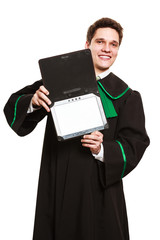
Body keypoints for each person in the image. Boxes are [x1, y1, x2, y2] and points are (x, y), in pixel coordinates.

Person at [4, 17, 150, 240]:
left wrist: (102, 149)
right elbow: (13, 105)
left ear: (118, 49)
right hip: (58, 183)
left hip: (101, 194)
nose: (106, 49)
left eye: (113, 44)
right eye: (100, 42)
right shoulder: (57, 80)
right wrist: (33, 102)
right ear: (87, 45)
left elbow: (134, 145)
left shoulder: (127, 96)